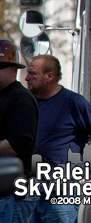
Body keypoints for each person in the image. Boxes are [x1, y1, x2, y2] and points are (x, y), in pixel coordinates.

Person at [14, 55, 91, 223]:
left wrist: (87, 163)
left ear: (50, 77)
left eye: (33, 73)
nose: (26, 78)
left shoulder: (72, 102)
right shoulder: (26, 102)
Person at [0, 40, 38, 223]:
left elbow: (20, 144)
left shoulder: (20, 100)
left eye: (1, 66)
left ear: (14, 69)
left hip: (12, 192)